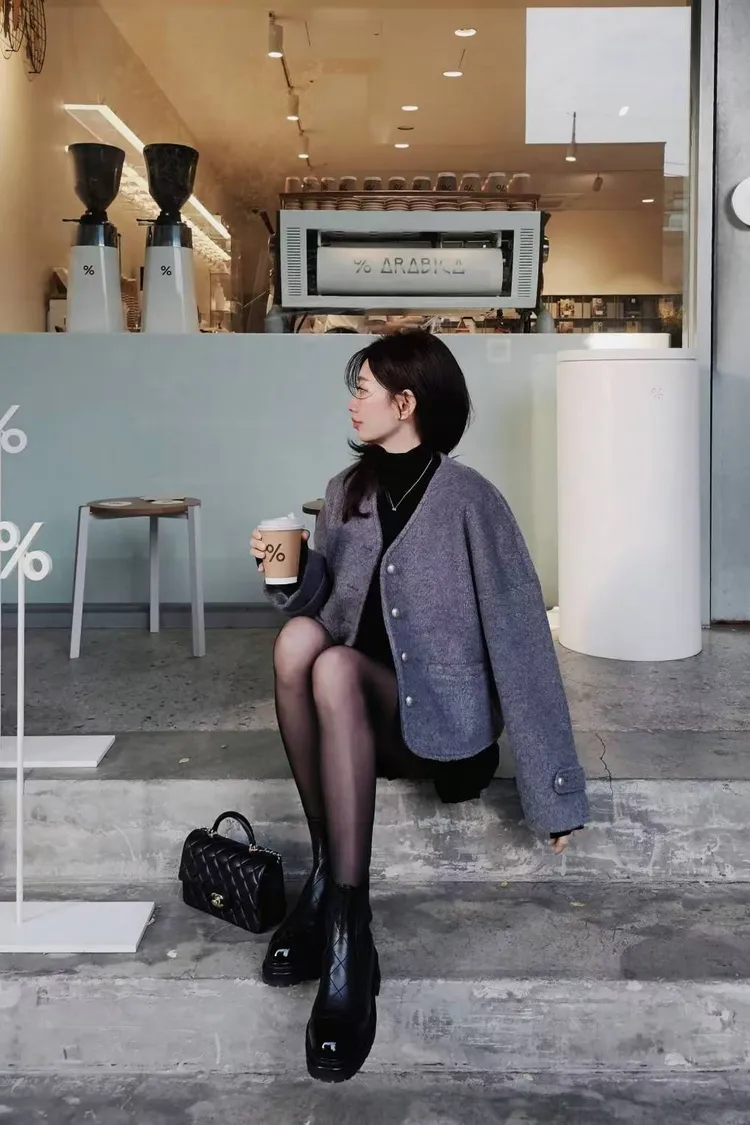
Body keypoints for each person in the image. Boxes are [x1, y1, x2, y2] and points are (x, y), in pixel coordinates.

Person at [250, 329, 588, 1084]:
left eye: (364, 388)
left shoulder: (471, 499)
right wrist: (292, 575)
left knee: (334, 666)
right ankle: (336, 895)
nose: (352, 402)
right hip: (357, 711)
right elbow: (329, 611)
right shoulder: (346, 491)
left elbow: (521, 641)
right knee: (302, 642)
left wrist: (555, 791)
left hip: (439, 727)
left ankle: (343, 928)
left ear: (406, 402)